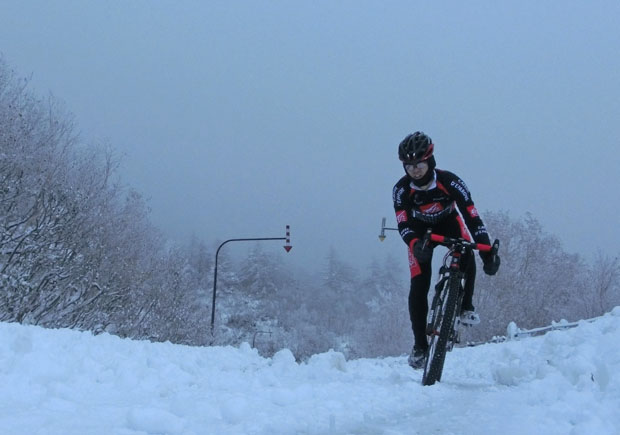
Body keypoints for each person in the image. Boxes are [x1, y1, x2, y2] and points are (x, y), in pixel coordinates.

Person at [392, 131, 500, 369]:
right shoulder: (401, 190)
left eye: (419, 164)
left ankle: (465, 306)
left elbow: (472, 217)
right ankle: (420, 346)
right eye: (409, 166)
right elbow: (402, 224)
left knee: (467, 253)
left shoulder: (450, 182)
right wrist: (413, 244)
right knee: (419, 286)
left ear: (430, 160)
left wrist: (487, 253)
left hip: (449, 224)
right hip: (420, 234)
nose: (415, 170)